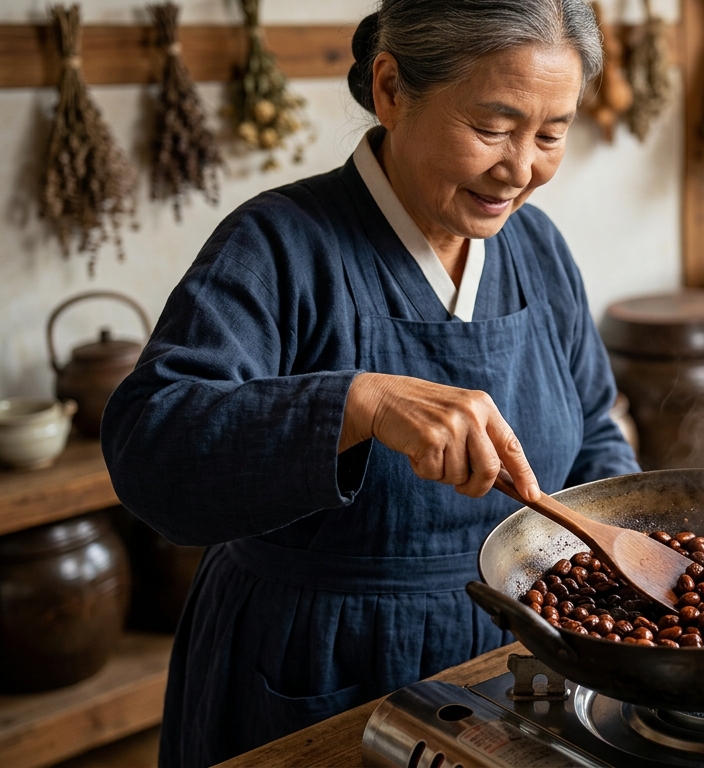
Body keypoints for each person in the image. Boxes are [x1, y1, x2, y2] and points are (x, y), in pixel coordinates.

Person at [100, 2, 637, 765]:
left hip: (514, 665)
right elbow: (151, 450)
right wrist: (357, 404)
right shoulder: (279, 243)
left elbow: (594, 432)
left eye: (551, 134)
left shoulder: (537, 249)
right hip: (317, 664)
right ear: (390, 89)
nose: (521, 169)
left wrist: (623, 556)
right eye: (493, 127)